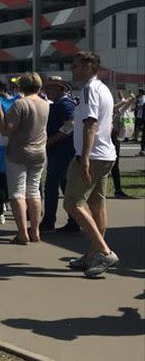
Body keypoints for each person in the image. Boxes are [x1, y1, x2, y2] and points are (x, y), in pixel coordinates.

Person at [63, 52, 118, 277]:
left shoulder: (89, 90)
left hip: (92, 155)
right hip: (105, 154)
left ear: (89, 67)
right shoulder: (103, 88)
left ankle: (104, 251)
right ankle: (91, 255)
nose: (73, 70)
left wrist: (84, 157)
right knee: (97, 205)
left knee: (72, 203)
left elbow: (90, 125)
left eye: (76, 66)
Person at [0, 73, 49, 244]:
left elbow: (6, 130)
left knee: (17, 192)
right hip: (39, 151)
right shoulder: (45, 104)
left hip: (19, 151)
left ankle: (22, 232)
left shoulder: (20, 104)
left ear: (21, 87)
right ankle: (36, 230)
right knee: (34, 191)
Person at [40, 77, 78, 233]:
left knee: (51, 187)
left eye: (50, 88)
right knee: (65, 187)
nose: (46, 91)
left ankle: (49, 222)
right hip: (59, 151)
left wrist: (52, 140)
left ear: (60, 89)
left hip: (63, 152)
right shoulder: (58, 104)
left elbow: (71, 123)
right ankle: (73, 221)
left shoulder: (65, 104)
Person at [110, 92, 137, 198]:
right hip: (107, 140)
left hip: (114, 139)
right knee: (105, 166)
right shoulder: (108, 111)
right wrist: (127, 99)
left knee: (115, 166)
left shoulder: (118, 112)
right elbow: (116, 107)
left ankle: (118, 189)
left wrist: (130, 99)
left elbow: (124, 106)